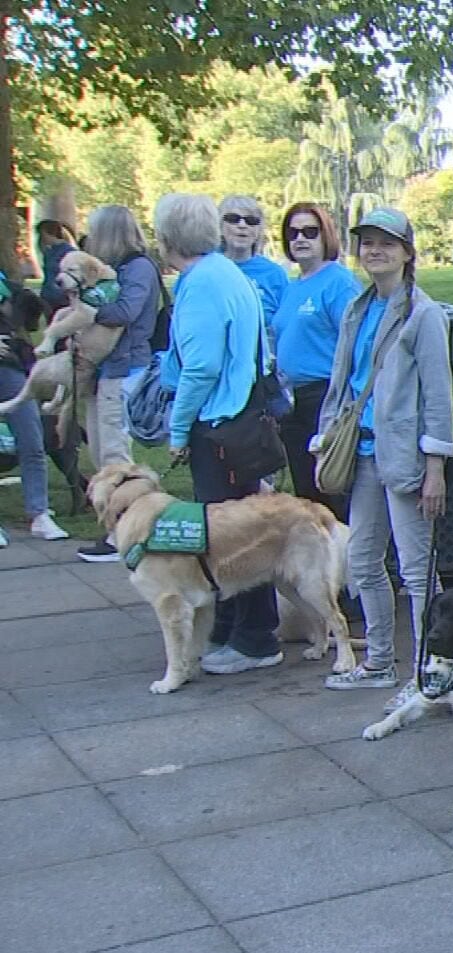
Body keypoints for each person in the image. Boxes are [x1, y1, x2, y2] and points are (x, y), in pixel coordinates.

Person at [316, 207, 453, 696]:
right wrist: (328, 433)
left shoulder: (423, 313)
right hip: (363, 453)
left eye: (386, 243)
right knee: (362, 561)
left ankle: (428, 669)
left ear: (407, 252)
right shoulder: (358, 309)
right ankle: (378, 662)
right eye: (367, 242)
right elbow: (342, 380)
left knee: (417, 570)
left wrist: (435, 466)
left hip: (404, 456)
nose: (374, 251)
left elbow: (438, 396)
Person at [154, 192, 281, 673]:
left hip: (222, 425)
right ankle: (232, 628)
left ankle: (254, 638)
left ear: (167, 238)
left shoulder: (202, 283)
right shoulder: (226, 273)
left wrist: (179, 428)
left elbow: (201, 366)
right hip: (242, 417)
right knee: (239, 527)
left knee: (232, 535)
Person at [74, 205, 162, 563]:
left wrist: (89, 309)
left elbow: (126, 312)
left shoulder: (138, 268)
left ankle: (127, 531)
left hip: (125, 368)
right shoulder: (120, 269)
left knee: (115, 455)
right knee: (100, 451)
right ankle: (119, 527)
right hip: (105, 370)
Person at [271, 202, 358, 520]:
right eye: (293, 233)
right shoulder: (293, 287)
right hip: (292, 402)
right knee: (306, 494)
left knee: (330, 489)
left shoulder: (338, 283)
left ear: (326, 236)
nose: (300, 239)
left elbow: (356, 344)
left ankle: (347, 563)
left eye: (310, 231)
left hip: (325, 398)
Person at [0, 270, 69, 545]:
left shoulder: (5, 281)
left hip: (10, 366)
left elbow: (27, 309)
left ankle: (39, 514)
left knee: (32, 438)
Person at [218, 195, 287, 326]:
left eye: (251, 221)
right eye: (233, 219)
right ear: (220, 226)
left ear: (259, 230)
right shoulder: (205, 268)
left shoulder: (274, 274)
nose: (242, 225)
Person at [35, 220, 77, 314]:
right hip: (48, 296)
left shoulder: (68, 251)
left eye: (42, 234)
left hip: (62, 297)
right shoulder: (49, 252)